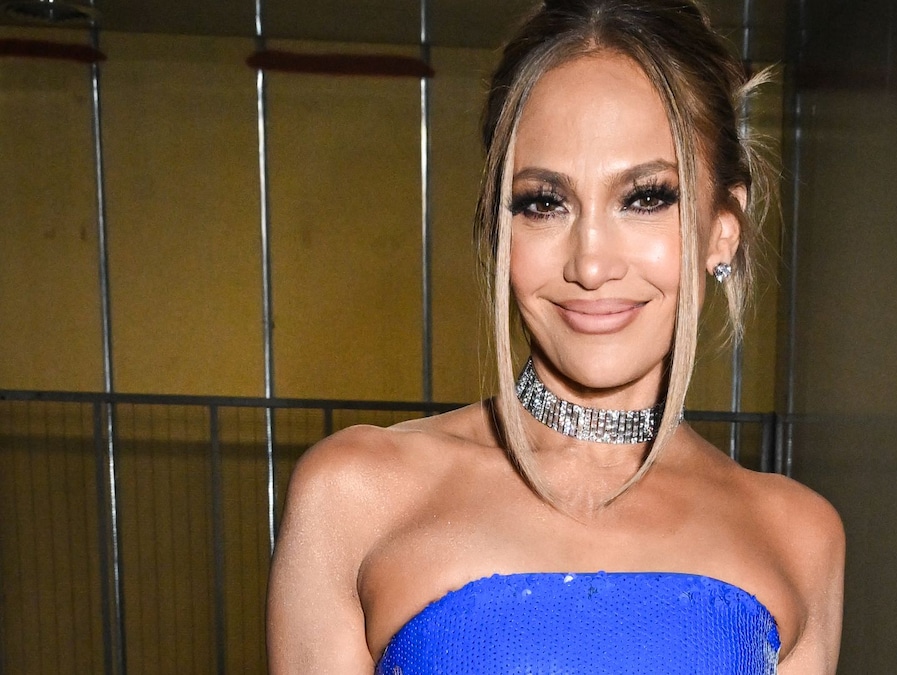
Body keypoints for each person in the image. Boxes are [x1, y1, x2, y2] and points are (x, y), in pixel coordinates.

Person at [266, 0, 844, 672]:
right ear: (499, 230)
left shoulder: (798, 535)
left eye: (646, 197)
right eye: (544, 203)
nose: (590, 264)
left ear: (723, 228)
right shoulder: (356, 495)